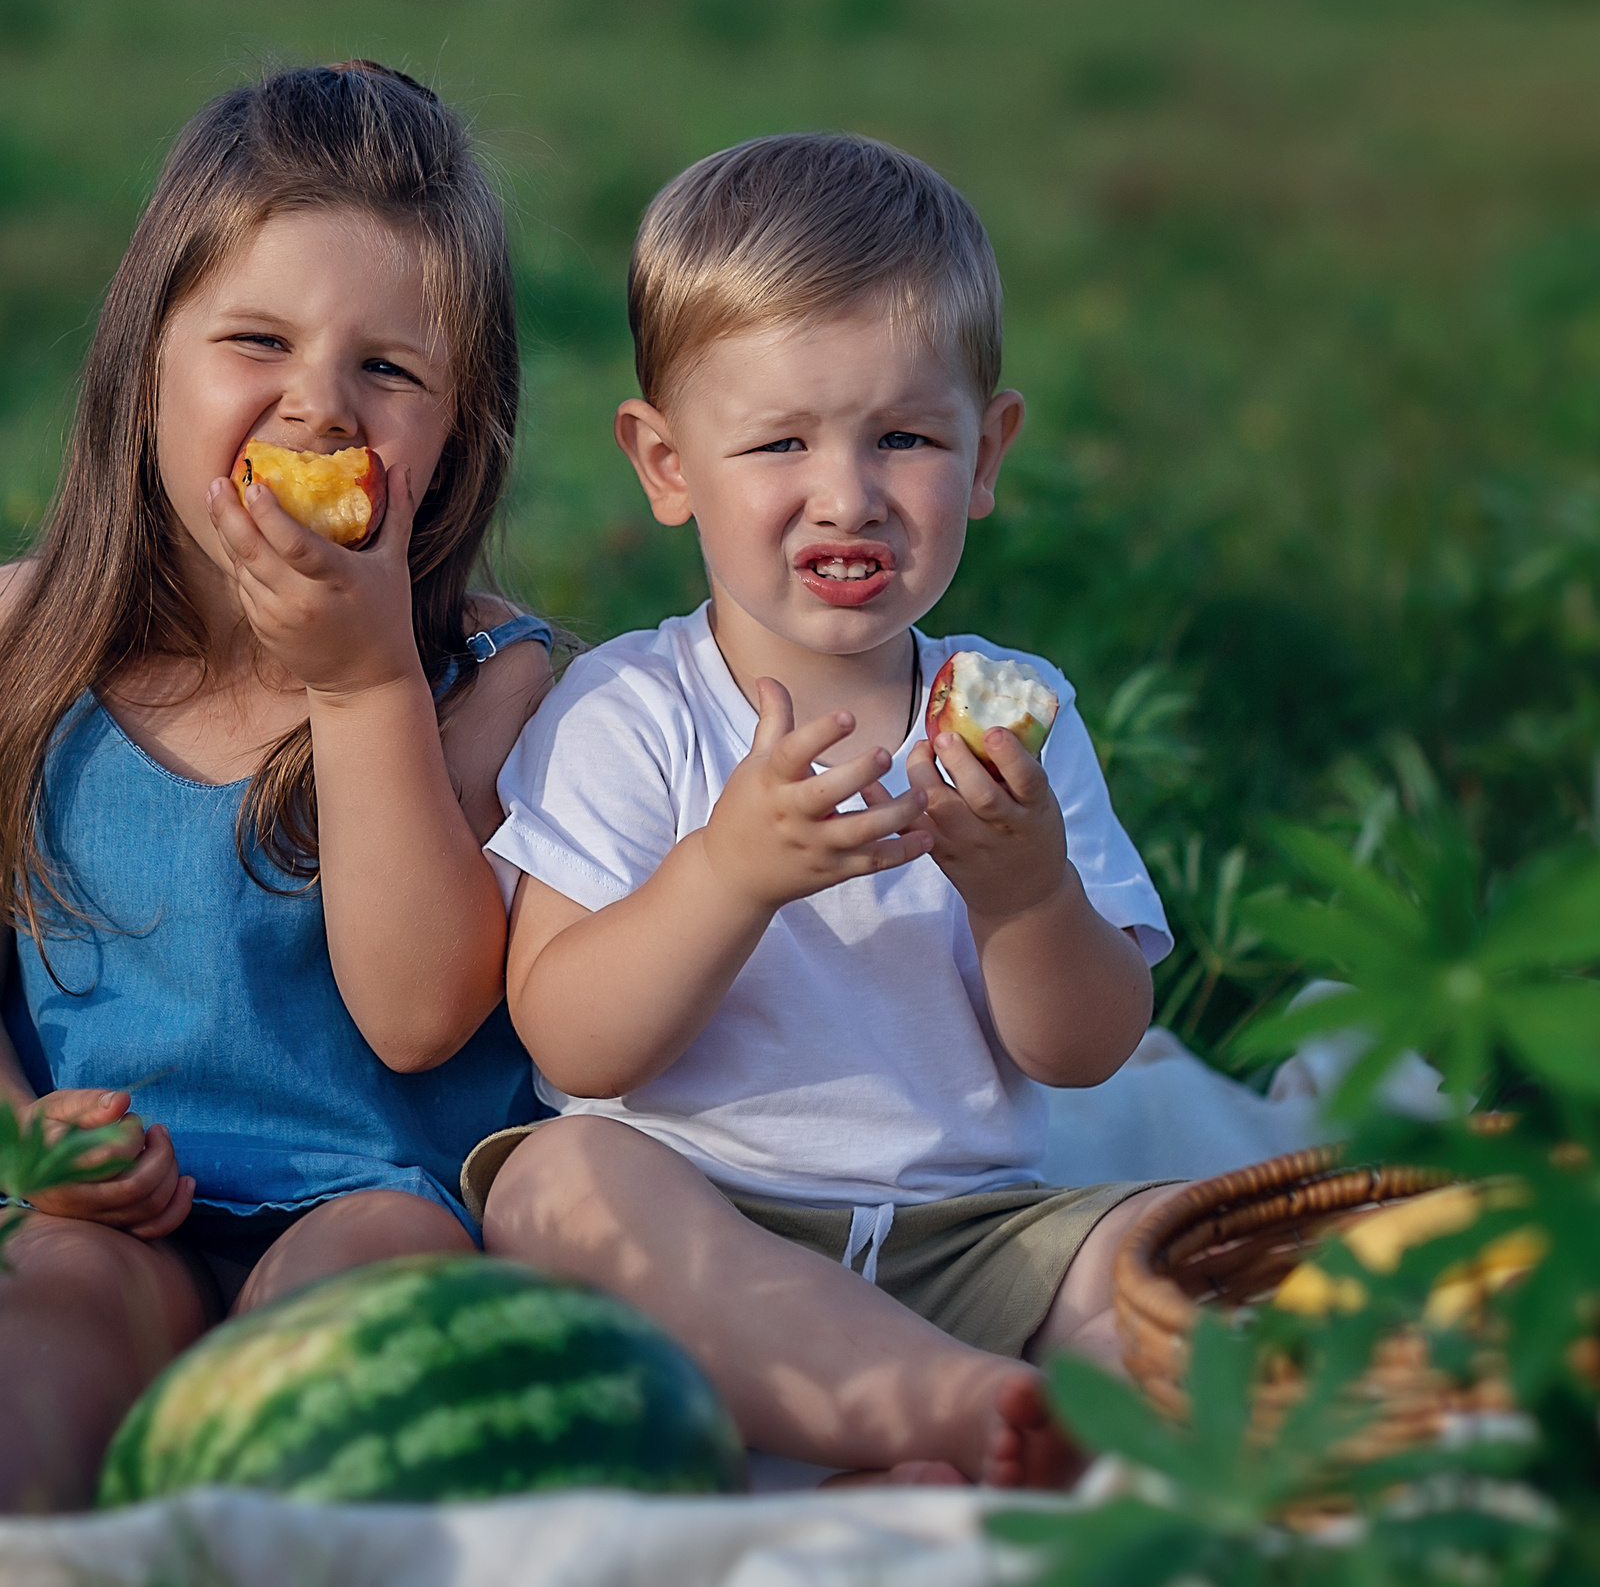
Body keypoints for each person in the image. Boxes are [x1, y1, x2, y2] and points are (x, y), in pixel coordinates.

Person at [0, 62, 552, 1512]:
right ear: (144, 361)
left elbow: (422, 1014)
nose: (317, 407)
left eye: (389, 370)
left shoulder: (499, 681)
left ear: (457, 431)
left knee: (359, 1337)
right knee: (34, 1317)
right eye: (256, 339)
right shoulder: (15, 641)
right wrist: (6, 1131)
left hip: (377, 1196)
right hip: (97, 1200)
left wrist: (360, 681)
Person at [474, 133, 1183, 1490]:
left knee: (1156, 1250)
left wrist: (1027, 894)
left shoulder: (1015, 717)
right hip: (704, 1227)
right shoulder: (629, 712)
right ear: (667, 462)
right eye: (780, 440)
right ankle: (951, 1413)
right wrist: (727, 878)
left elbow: (1087, 1051)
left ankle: (1019, 1432)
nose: (846, 492)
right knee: (551, 1183)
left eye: (905, 437)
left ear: (988, 455)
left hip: (972, 1237)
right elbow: (568, 1032)